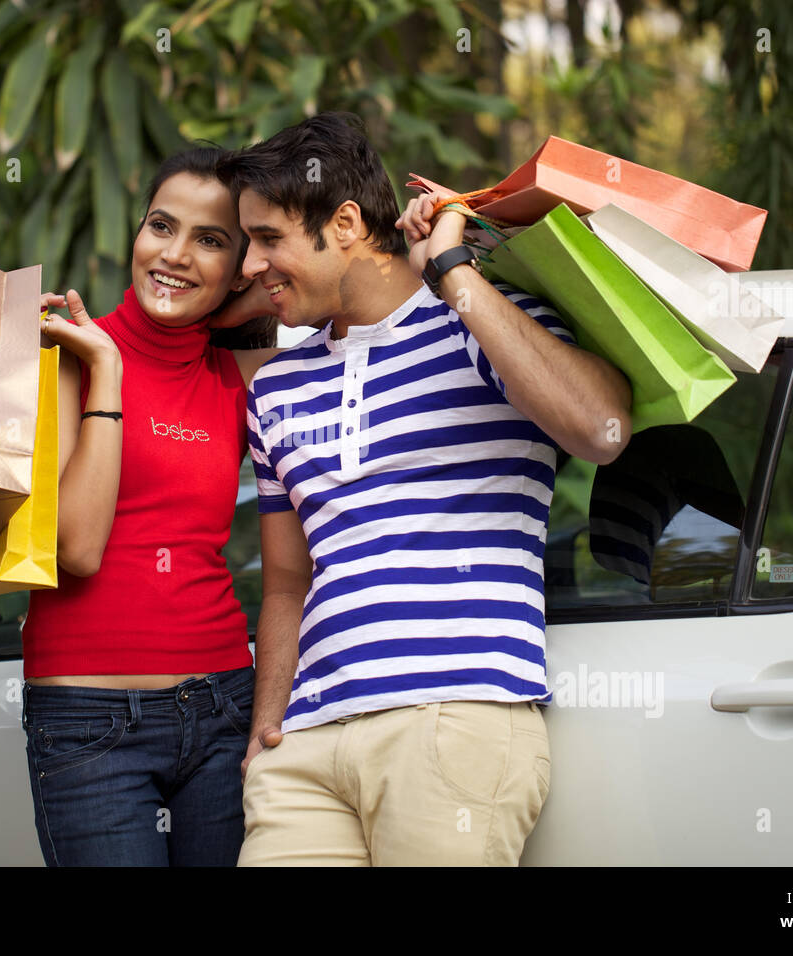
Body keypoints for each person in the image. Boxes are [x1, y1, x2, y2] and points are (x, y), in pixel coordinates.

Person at [219, 112, 634, 866]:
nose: (249, 265)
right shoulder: (276, 389)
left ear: (344, 223)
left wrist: (454, 272)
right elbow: (285, 584)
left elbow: (601, 430)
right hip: (306, 746)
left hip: (449, 717)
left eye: (268, 238)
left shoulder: (478, 324)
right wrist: (267, 733)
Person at [21, 145, 281, 866]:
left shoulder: (238, 375)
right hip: (87, 722)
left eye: (211, 241)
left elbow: (337, 292)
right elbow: (76, 548)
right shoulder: (65, 354)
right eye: (161, 226)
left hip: (224, 706)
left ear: (239, 268)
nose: (175, 254)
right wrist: (106, 366)